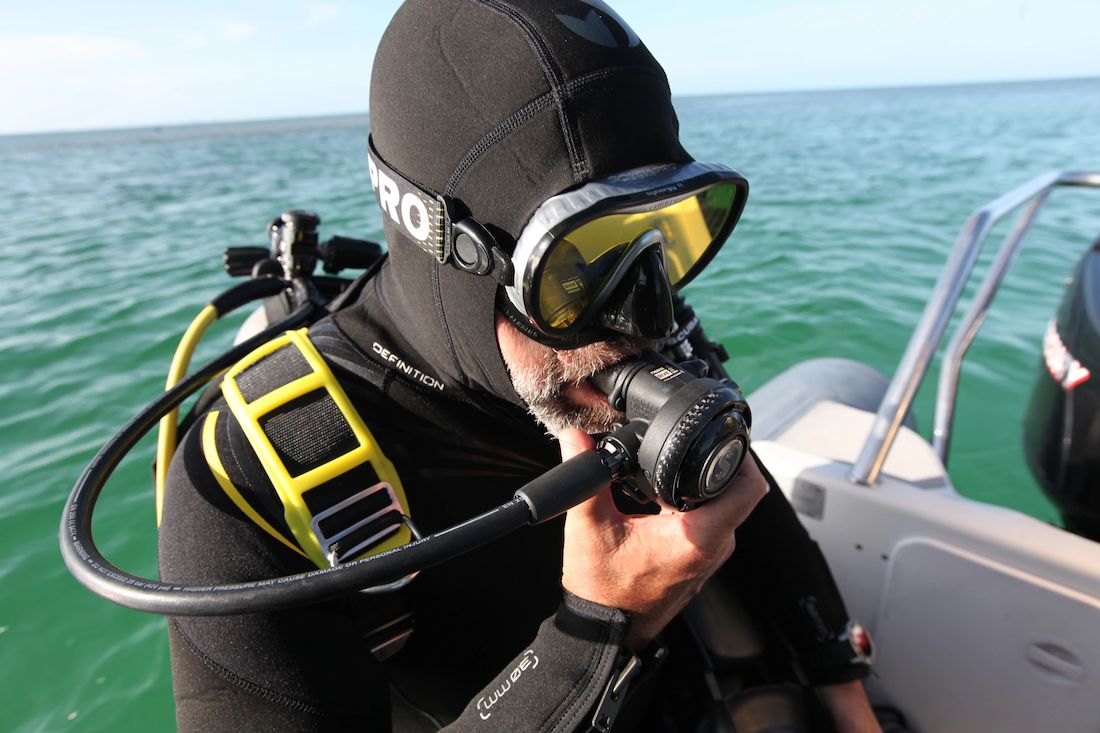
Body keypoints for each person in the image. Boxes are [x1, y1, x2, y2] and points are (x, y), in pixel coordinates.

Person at [159, 1, 881, 730]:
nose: (653, 317)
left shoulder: (621, 334)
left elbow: (750, 506)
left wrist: (847, 696)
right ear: (452, 251)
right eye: (578, 263)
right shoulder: (246, 486)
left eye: (663, 235)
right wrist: (599, 629)